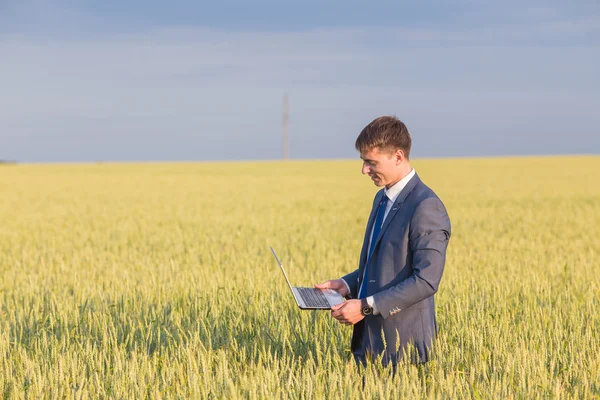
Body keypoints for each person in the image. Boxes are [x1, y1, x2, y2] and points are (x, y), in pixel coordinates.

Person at [315, 116, 451, 367]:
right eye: (364, 162)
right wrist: (346, 284)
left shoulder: (426, 206)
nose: (364, 170)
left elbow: (426, 280)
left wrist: (365, 307)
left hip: (403, 346)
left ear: (398, 157)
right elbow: (385, 263)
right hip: (368, 342)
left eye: (371, 162)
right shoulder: (381, 199)